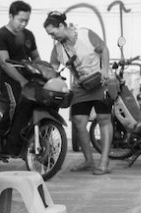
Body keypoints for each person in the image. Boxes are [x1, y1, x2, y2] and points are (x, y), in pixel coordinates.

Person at [43, 11, 114, 175]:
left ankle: (104, 161)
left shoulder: (86, 34)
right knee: (79, 122)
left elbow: (104, 49)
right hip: (80, 87)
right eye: (49, 35)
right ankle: (89, 160)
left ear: (61, 26)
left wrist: (104, 70)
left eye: (53, 33)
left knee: (104, 119)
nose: (52, 37)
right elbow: (52, 69)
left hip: (100, 82)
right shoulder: (58, 50)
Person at [0, 0, 39, 146]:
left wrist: (44, 73)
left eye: (27, 21)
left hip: (28, 77)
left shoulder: (29, 35)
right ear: (11, 16)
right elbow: (5, 63)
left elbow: (36, 57)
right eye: (21, 20)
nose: (23, 24)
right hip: (8, 79)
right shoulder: (0, 35)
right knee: (15, 103)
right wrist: (21, 81)